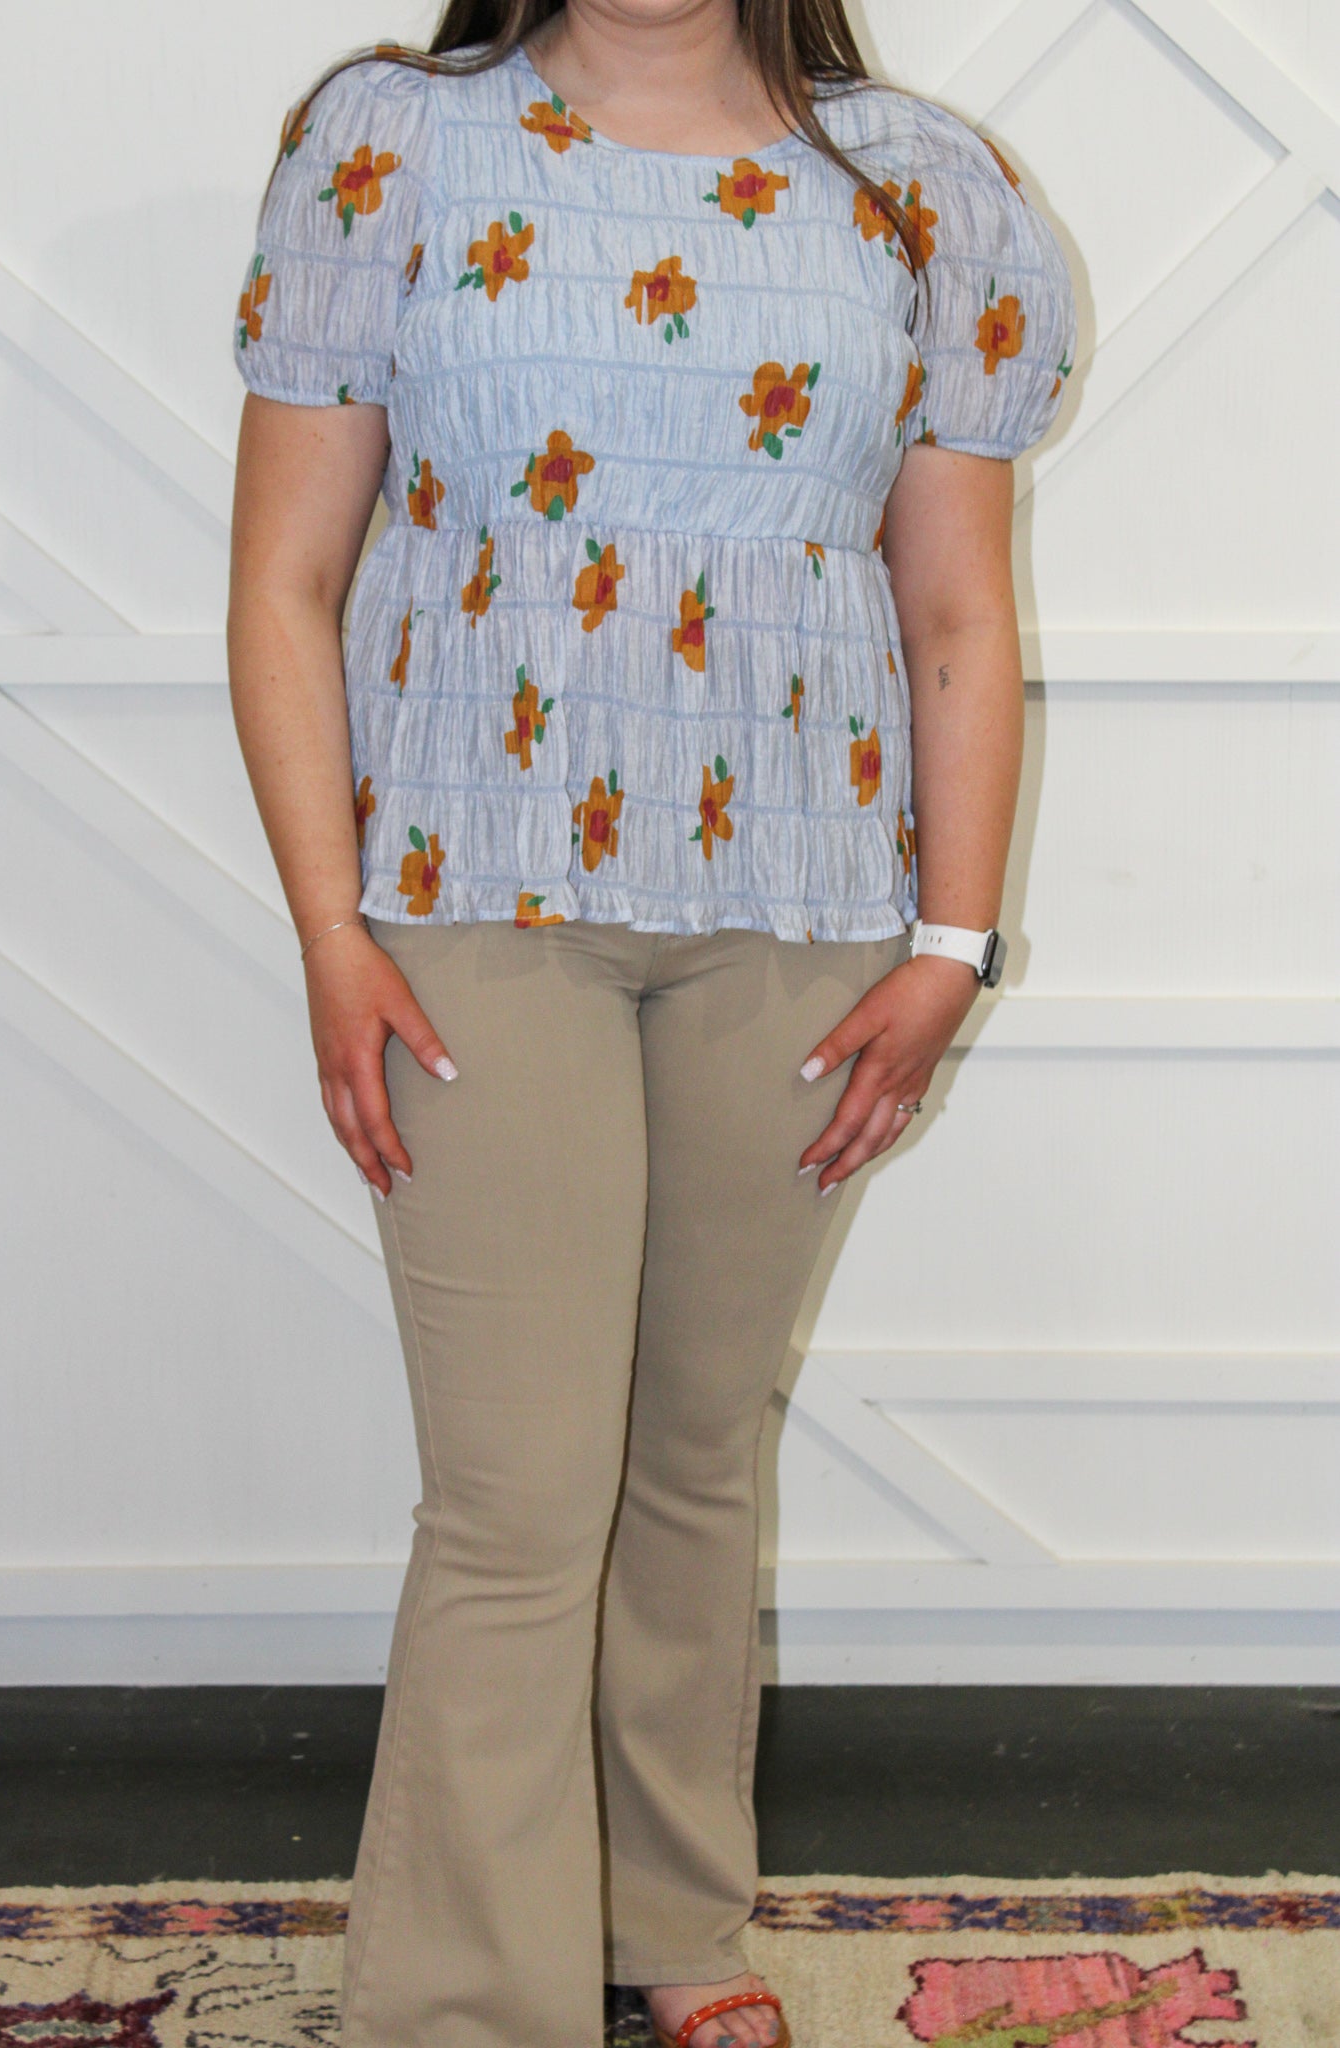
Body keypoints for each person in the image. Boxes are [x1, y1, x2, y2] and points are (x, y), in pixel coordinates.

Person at [226, 2, 1076, 2041]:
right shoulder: (388, 142)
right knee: (517, 1496)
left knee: (694, 1453)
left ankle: (670, 1921)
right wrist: (330, 929)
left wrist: (951, 941)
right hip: (469, 902)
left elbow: (957, 609)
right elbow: (283, 583)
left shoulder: (920, 186)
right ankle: (467, 2006)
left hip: (801, 917)